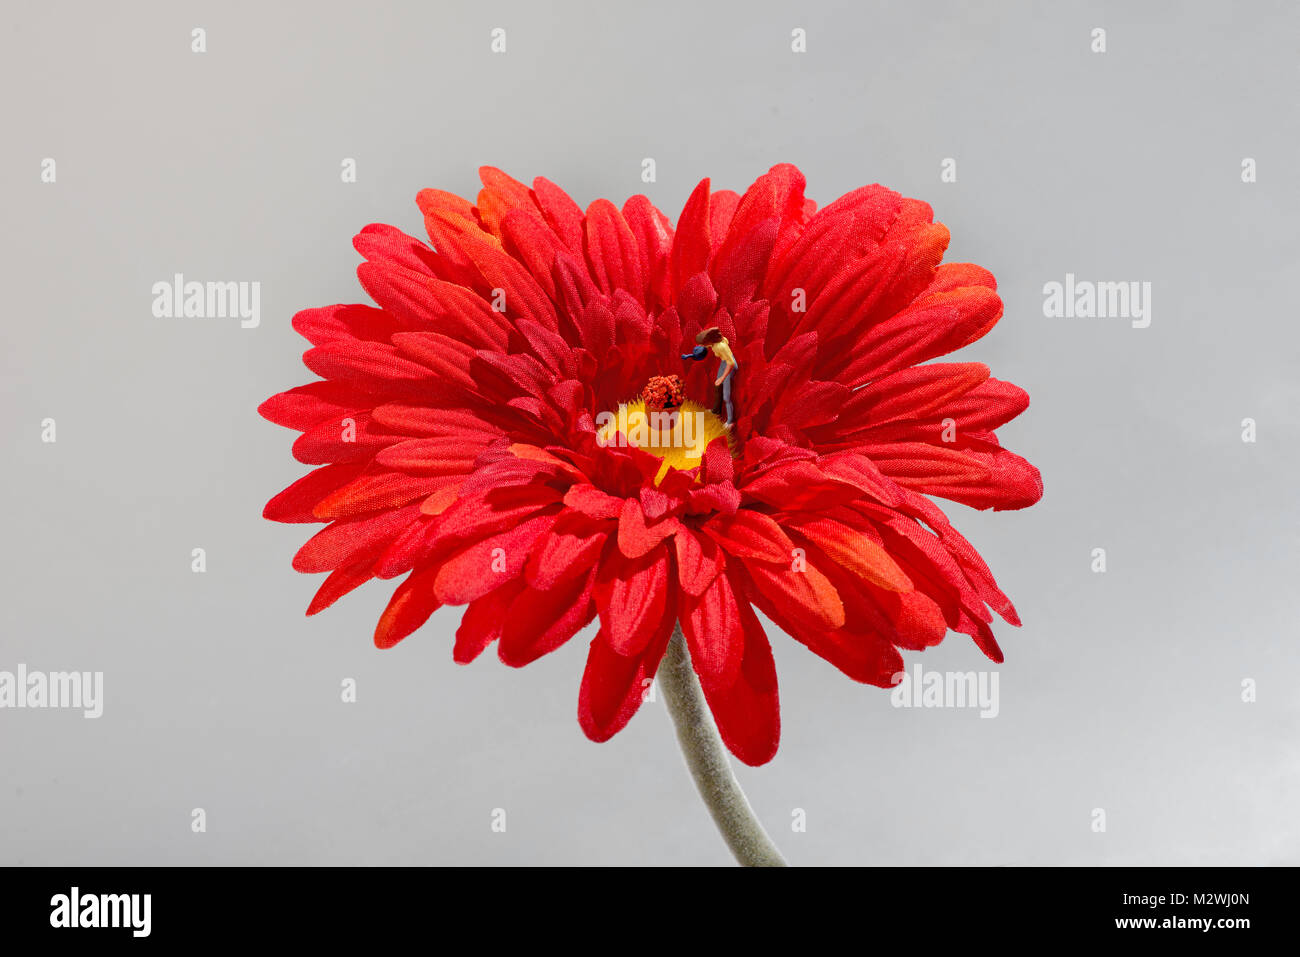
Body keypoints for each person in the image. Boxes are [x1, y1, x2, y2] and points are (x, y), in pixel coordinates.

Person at [681, 327, 737, 425]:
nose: (701, 345)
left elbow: (731, 363)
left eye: (702, 343)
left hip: (729, 365)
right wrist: (691, 355)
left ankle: (730, 421)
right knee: (717, 386)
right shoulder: (717, 342)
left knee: (726, 396)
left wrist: (723, 377)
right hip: (724, 363)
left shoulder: (719, 347)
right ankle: (716, 411)